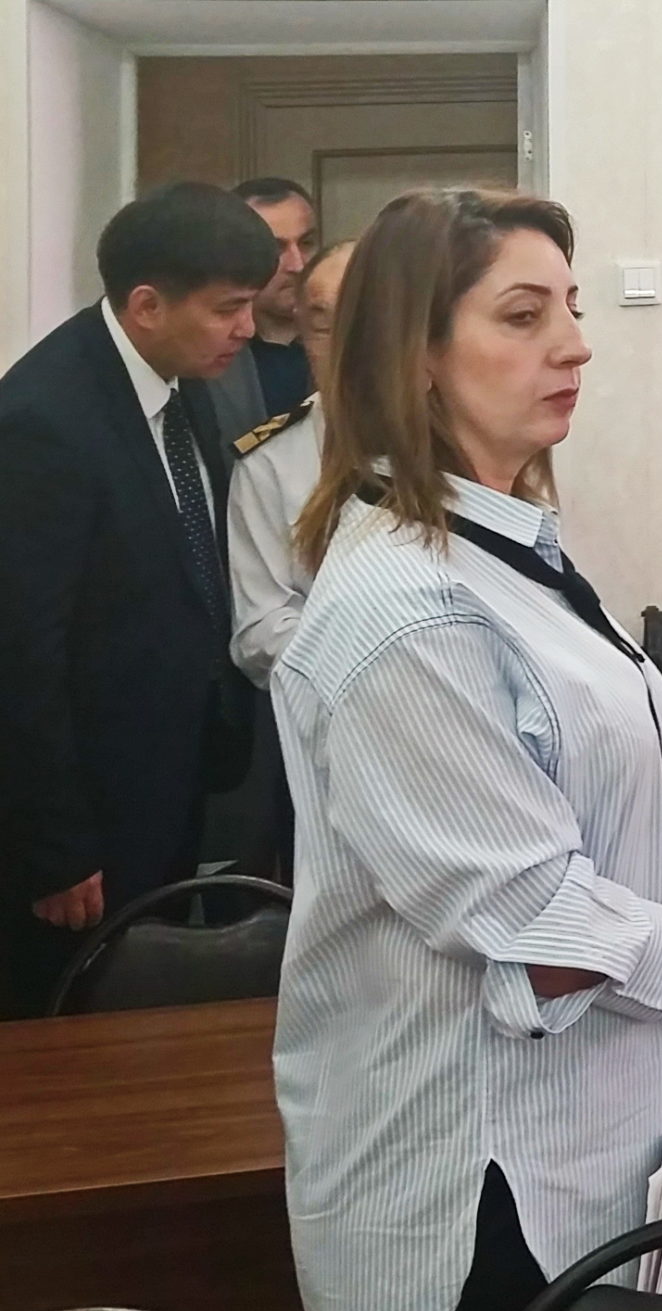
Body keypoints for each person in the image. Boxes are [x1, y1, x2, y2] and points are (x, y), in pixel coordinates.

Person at [272, 187, 662, 1311]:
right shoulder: (407, 611)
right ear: (416, 354)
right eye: (522, 315)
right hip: (473, 1183)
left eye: (571, 307)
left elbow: (617, 840)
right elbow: (531, 915)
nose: (574, 343)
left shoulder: (503, 552)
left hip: (584, 1137)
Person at [0, 182, 275, 1017]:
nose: (248, 328)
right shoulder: (43, 421)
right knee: (70, 1016)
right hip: (86, 803)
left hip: (170, 769)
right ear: (147, 304)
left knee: (146, 1001)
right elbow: (20, 652)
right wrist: (55, 848)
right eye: (228, 308)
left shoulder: (178, 377)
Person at [229, 237, 353, 686]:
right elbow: (260, 629)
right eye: (323, 327)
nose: (347, 345)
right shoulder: (270, 461)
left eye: (365, 322)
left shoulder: (470, 436)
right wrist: (375, 658)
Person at [205, 177, 318, 445]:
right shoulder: (206, 354)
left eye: (306, 243)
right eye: (276, 248)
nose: (298, 265)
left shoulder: (351, 342)